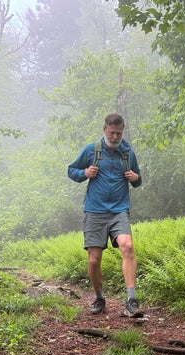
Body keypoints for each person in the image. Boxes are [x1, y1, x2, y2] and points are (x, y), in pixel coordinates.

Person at [67, 113, 143, 318]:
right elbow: (71, 170)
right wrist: (84, 174)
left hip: (119, 210)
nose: (116, 136)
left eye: (119, 133)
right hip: (95, 211)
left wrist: (136, 178)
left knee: (127, 245)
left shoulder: (128, 153)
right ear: (104, 130)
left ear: (122, 131)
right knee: (94, 260)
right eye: (112, 133)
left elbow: (137, 180)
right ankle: (99, 298)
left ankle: (131, 301)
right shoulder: (92, 150)